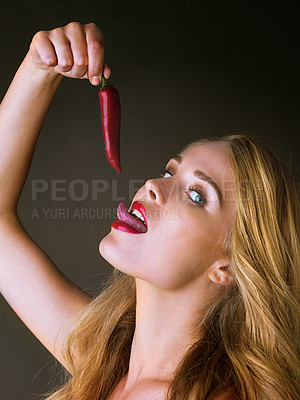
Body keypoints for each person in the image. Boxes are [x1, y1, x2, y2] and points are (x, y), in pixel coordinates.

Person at [0, 21, 299, 400]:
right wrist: (39, 69)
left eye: (196, 196)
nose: (154, 187)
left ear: (227, 266)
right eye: (168, 171)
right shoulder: (104, 363)